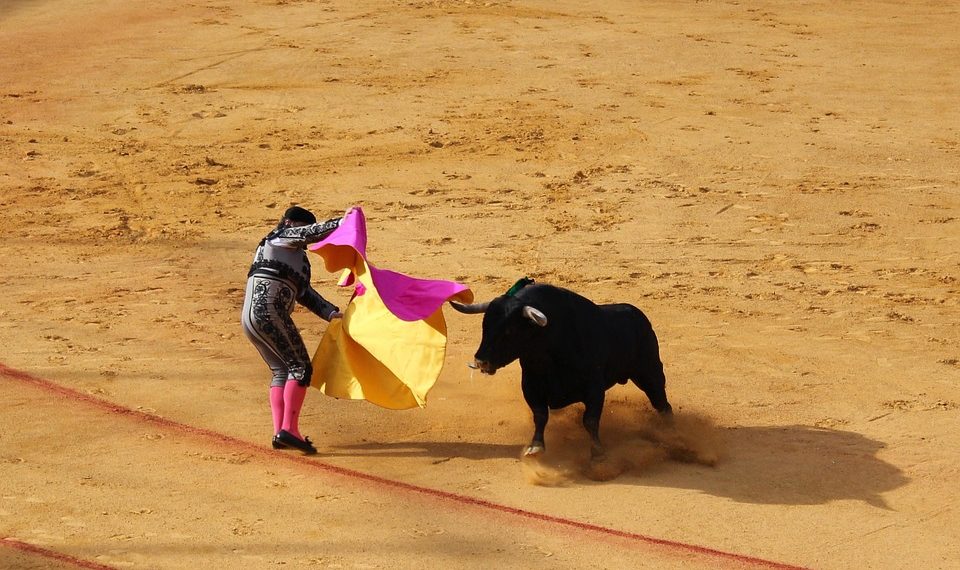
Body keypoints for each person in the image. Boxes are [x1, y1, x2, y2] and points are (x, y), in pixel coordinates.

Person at [241, 205, 345, 454]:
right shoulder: (279, 237)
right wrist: (342, 222)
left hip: (251, 317)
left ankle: (280, 432)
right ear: (289, 223)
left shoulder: (292, 256)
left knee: (281, 370)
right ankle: (289, 429)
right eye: (299, 226)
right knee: (301, 367)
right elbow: (310, 233)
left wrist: (330, 312)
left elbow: (305, 294)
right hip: (269, 312)